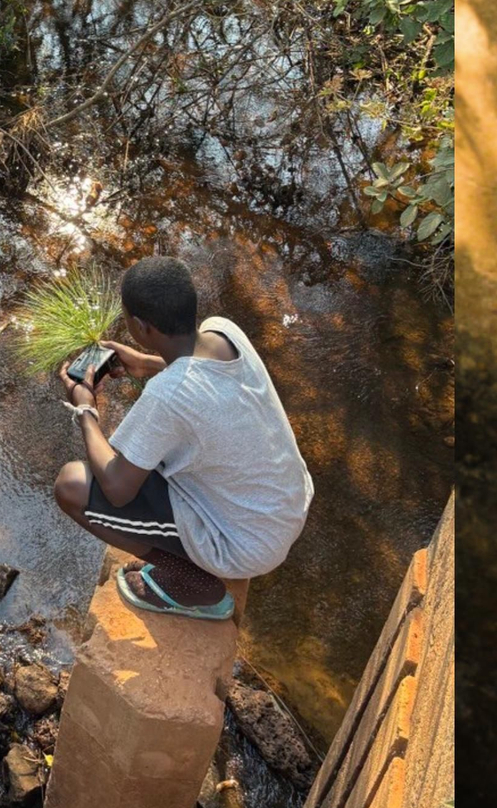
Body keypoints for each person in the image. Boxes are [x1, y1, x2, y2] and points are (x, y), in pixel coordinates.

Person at [53, 256, 313, 619]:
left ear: (140, 326)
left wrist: (85, 409)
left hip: (246, 545)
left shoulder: (168, 395)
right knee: (150, 452)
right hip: (285, 505)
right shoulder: (224, 331)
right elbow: (203, 378)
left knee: (71, 486)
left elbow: (116, 488)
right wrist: (145, 362)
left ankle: (191, 582)